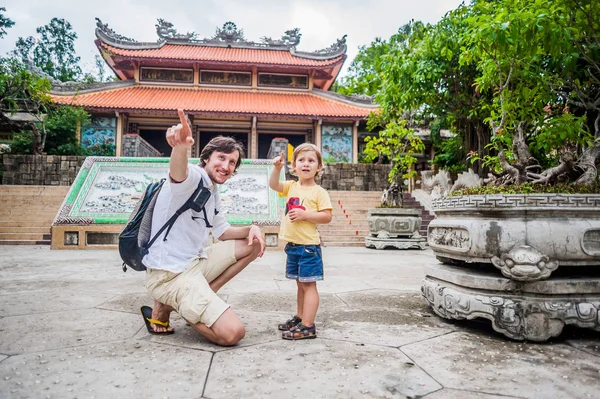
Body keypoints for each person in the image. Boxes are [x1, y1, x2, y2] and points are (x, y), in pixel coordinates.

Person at [141, 109, 265, 346]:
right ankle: (174, 306)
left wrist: (253, 228)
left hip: (193, 263)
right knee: (232, 333)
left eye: (232, 162)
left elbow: (222, 231)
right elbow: (179, 174)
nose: (226, 166)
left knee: (253, 243)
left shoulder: (212, 189)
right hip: (170, 274)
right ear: (207, 157)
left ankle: (198, 299)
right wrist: (180, 148)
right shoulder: (195, 178)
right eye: (221, 158)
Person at [268, 143, 332, 339]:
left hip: (309, 247)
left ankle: (308, 325)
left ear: (319, 167)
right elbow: (273, 185)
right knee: (300, 284)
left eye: (311, 161)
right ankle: (300, 316)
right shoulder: (291, 186)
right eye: (301, 160)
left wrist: (306, 215)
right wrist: (277, 168)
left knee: (309, 285)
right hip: (293, 246)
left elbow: (327, 216)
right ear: (293, 166)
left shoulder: (319, 192)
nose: (306, 164)